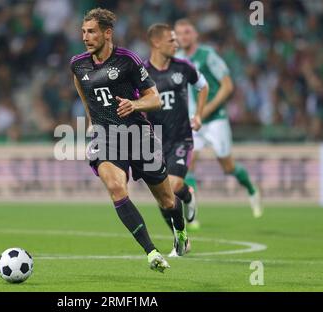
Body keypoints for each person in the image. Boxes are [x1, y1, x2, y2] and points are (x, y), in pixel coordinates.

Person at [70, 8, 189, 272]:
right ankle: (151, 252)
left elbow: (155, 99)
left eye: (91, 32)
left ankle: (180, 232)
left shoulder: (128, 60)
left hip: (137, 136)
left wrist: (134, 105)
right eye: (83, 32)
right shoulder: (78, 64)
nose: (85, 37)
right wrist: (92, 122)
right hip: (107, 138)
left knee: (167, 201)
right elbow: (83, 92)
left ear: (107, 33)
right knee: (116, 188)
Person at [174, 19, 263, 229]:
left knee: (228, 166)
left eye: (187, 32)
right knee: (189, 163)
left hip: (215, 120)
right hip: (192, 122)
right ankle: (192, 214)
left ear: (195, 35)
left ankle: (251, 188)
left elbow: (227, 86)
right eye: (179, 33)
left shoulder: (208, 56)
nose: (183, 37)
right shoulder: (176, 60)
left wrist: (205, 110)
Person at [144, 23, 208, 256]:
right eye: (171, 40)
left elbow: (203, 86)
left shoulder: (184, 67)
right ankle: (180, 238)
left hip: (181, 137)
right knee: (163, 199)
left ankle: (187, 195)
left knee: (173, 186)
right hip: (154, 142)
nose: (176, 43)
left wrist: (199, 114)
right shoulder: (141, 72)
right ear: (156, 43)